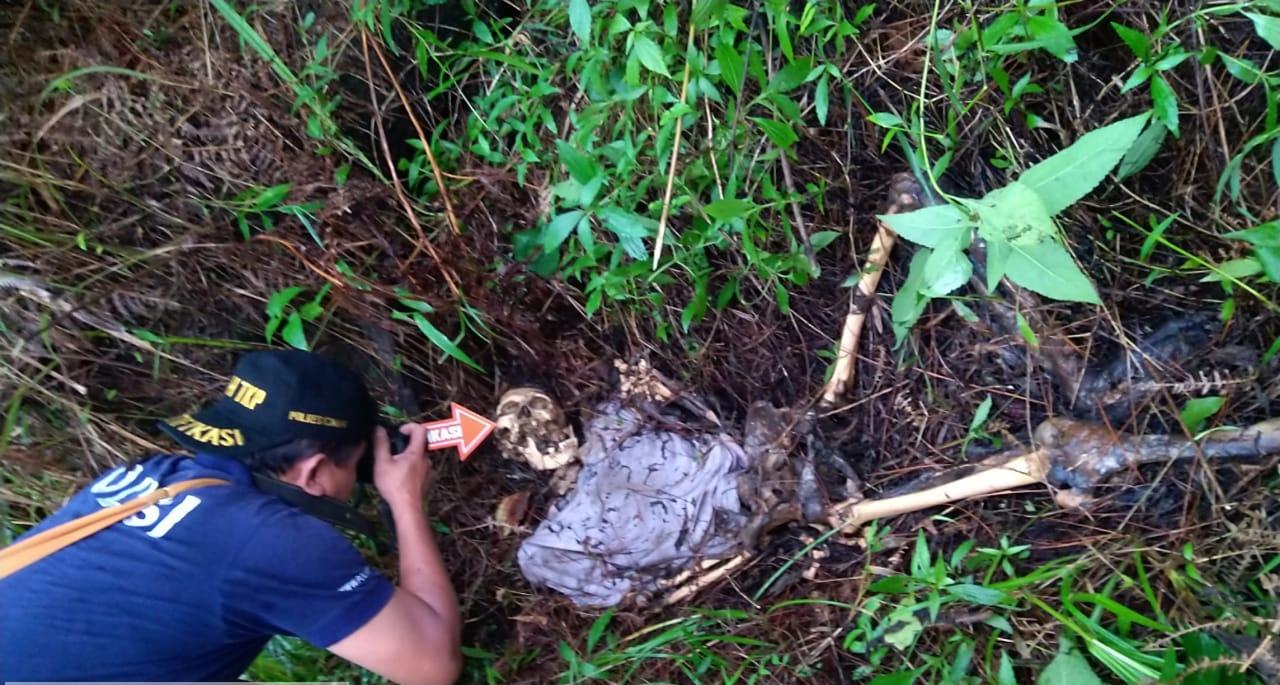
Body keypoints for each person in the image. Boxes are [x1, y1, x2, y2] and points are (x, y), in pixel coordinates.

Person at [0, 350, 462, 684]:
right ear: (315, 470)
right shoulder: (268, 541)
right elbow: (431, 664)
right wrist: (404, 501)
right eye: (356, 466)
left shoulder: (139, 478)